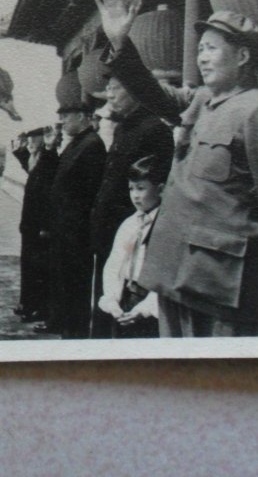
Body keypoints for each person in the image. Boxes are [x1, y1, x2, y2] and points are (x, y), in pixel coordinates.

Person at [95, 0, 258, 337]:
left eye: (211, 49)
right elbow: (151, 91)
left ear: (242, 56)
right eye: (200, 50)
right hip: (175, 275)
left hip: (226, 288)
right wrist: (120, 42)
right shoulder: (202, 101)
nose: (202, 58)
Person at [87, 74, 174, 338]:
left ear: (135, 90)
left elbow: (157, 183)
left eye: (115, 89)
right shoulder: (124, 128)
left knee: (132, 311)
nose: (110, 95)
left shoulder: (155, 129)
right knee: (107, 295)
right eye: (108, 90)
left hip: (136, 232)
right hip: (114, 231)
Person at [36, 70, 107, 338]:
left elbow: (89, 194)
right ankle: (60, 322)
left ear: (82, 116)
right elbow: (55, 180)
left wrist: (78, 228)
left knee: (73, 283)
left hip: (76, 231)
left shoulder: (92, 146)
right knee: (60, 279)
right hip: (62, 228)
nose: (61, 121)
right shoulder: (76, 144)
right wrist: (50, 149)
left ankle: (73, 330)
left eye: (66, 116)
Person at [98, 155, 169, 339]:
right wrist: (112, 298)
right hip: (126, 297)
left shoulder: (166, 226)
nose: (135, 195)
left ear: (160, 189)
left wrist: (146, 309)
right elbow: (115, 263)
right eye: (131, 188)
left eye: (141, 188)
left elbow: (166, 275)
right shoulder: (130, 223)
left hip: (152, 304)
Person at [11, 127, 59, 323]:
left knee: (39, 268)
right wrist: (20, 148)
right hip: (30, 225)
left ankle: (39, 308)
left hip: (40, 226)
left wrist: (46, 226)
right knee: (29, 266)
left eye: (33, 139)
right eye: (28, 139)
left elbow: (49, 193)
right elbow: (28, 164)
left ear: (42, 141)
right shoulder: (34, 159)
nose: (30, 142)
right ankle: (28, 304)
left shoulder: (49, 159)